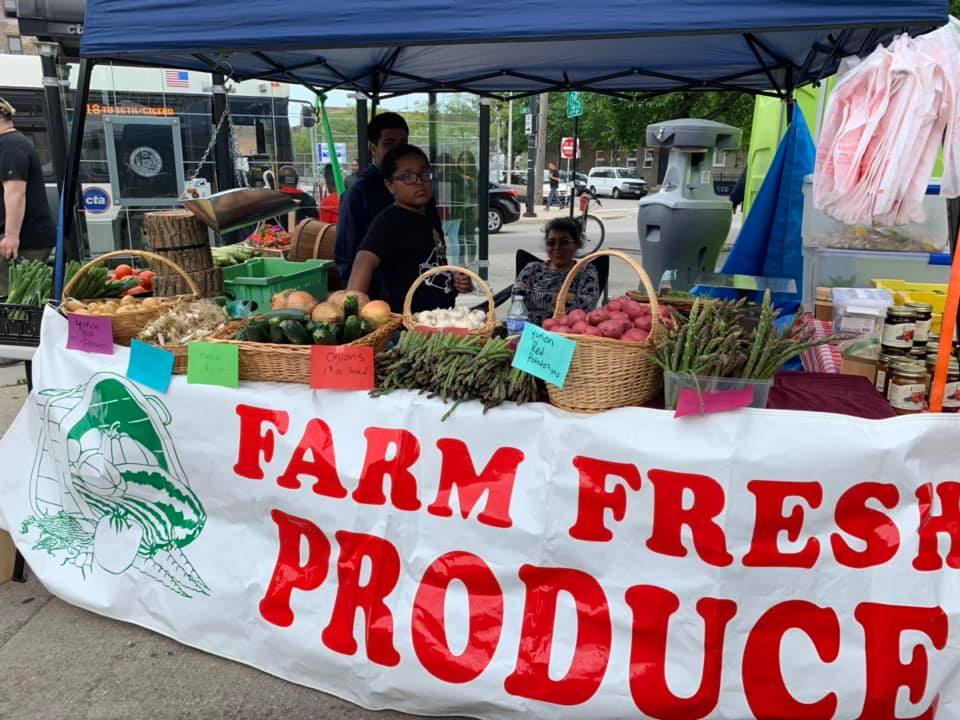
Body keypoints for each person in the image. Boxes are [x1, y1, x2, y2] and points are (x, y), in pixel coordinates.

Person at [347, 144, 471, 313]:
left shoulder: (427, 213)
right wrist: (352, 317)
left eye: (424, 174)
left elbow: (429, 262)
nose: (419, 182)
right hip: (407, 327)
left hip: (440, 319)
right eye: (407, 177)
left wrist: (451, 278)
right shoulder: (389, 221)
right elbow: (363, 262)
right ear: (389, 185)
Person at [335, 113, 442, 289]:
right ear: (373, 148)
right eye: (388, 143)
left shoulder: (422, 189)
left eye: (403, 143)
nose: (397, 150)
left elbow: (434, 244)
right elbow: (347, 258)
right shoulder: (358, 193)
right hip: (384, 304)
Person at [0, 97, 55, 296]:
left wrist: (11, 236)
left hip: (25, 240)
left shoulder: (9, 146)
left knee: (13, 298)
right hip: (25, 238)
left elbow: (15, 193)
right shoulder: (13, 143)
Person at [515, 217, 600, 326]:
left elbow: (586, 307)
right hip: (529, 333)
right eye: (551, 242)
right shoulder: (532, 268)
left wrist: (533, 296)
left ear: (577, 244)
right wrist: (567, 297)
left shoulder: (586, 271)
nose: (557, 247)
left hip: (568, 334)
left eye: (564, 242)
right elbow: (517, 299)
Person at [275, 165, 318, 231]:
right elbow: (315, 223)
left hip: (275, 239)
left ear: (279, 181)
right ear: (297, 180)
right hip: (301, 238)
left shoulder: (271, 200)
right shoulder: (309, 200)